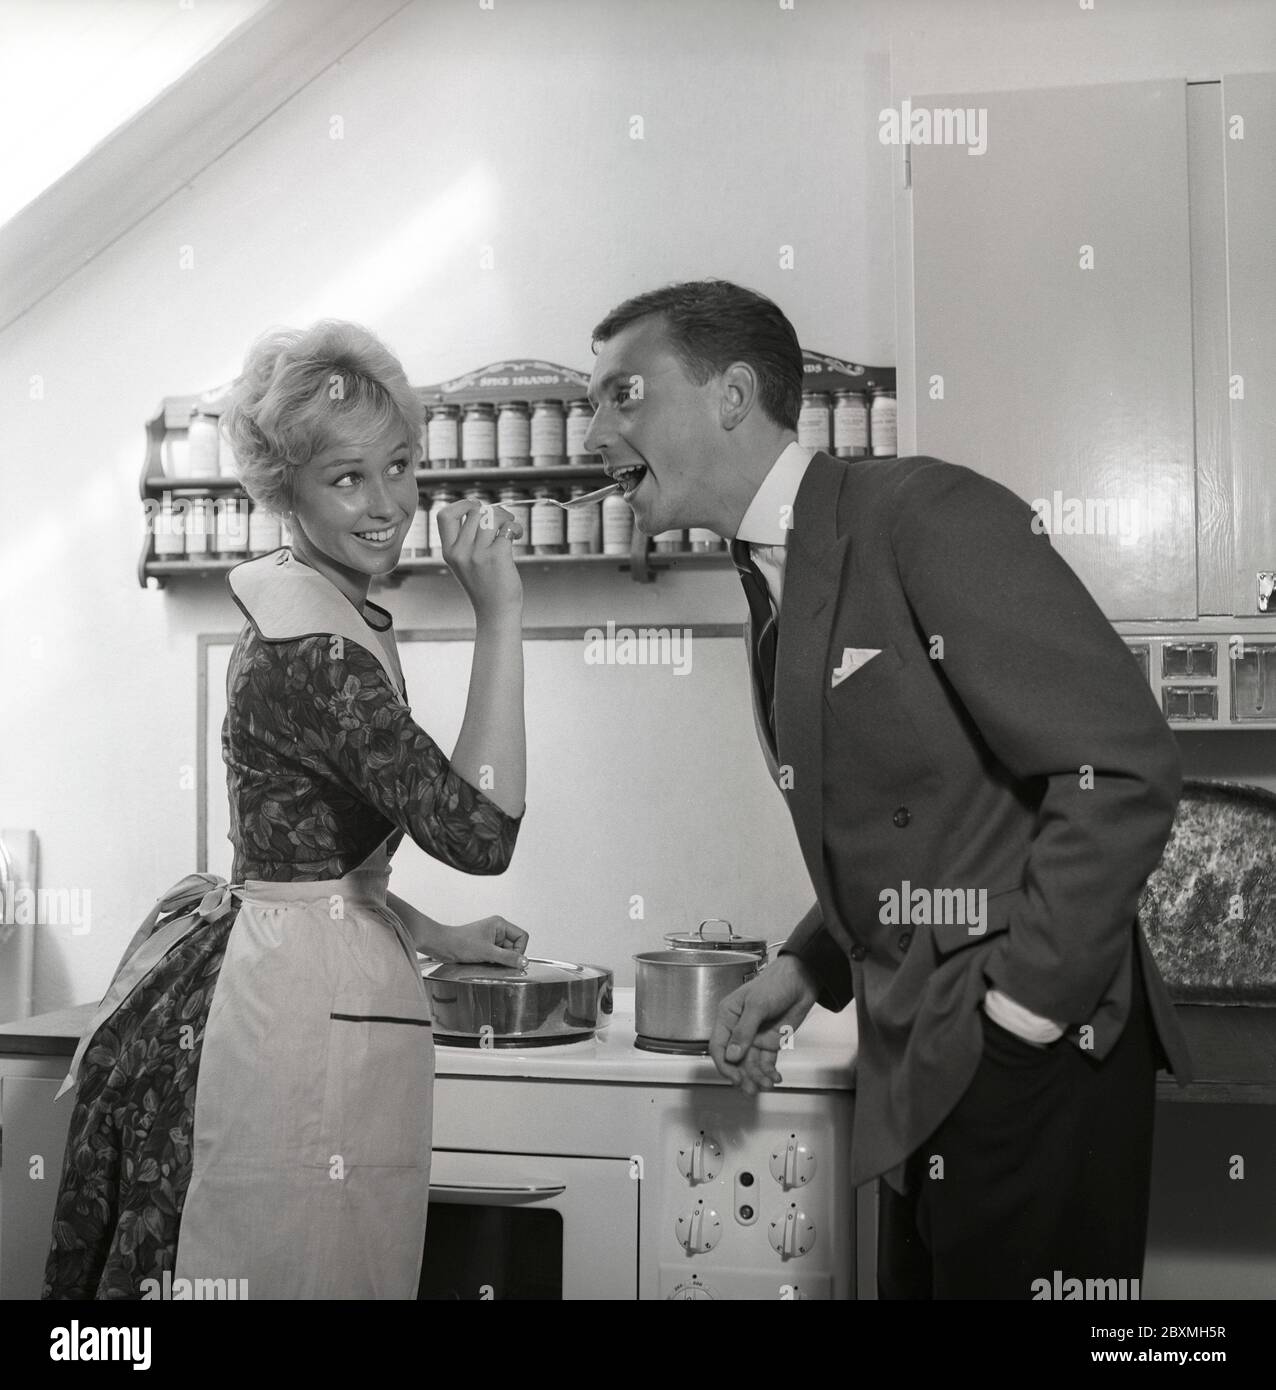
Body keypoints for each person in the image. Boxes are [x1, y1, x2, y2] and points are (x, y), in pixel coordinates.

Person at [583, 279, 1192, 1299]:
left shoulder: (925, 514)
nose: (593, 430)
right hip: (921, 1060)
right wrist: (798, 970)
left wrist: (1023, 1014)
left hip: (1032, 1057)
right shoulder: (769, 575)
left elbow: (1121, 766)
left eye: (621, 395)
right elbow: (921, 818)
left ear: (732, 394)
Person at [44, 320, 529, 1299]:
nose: (390, 502)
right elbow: (480, 831)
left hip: (289, 978)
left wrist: (438, 934)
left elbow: (305, 869)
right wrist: (502, 612)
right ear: (284, 488)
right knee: (282, 1262)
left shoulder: (319, 606)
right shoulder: (317, 653)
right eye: (347, 478)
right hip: (287, 1019)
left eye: (401, 464)